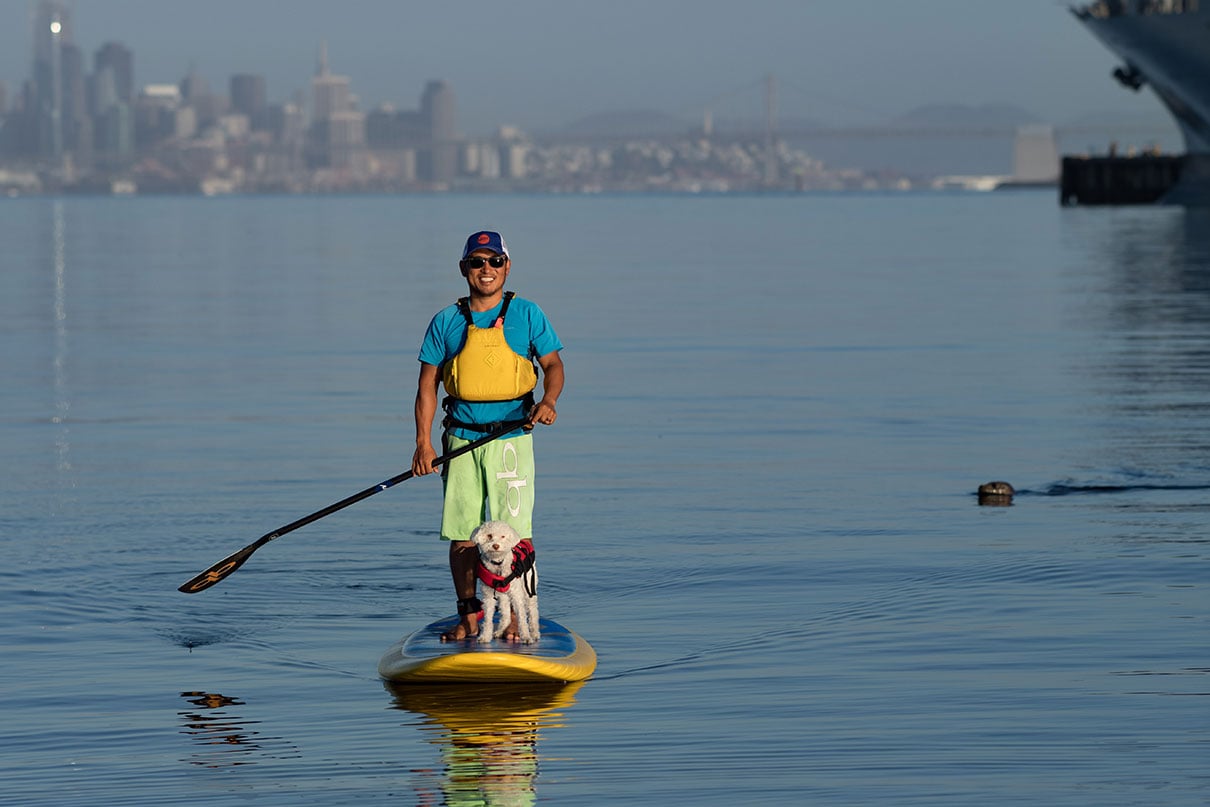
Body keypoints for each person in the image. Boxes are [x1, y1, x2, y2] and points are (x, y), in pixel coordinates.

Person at [411, 230, 564, 642]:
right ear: (464, 269)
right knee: (462, 535)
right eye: (477, 262)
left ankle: (516, 616)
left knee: (517, 533)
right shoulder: (446, 321)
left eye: (494, 261)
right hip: (461, 441)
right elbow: (427, 387)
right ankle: (470, 615)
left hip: (512, 439)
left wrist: (547, 401)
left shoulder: (528, 314)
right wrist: (423, 443)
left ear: (507, 266)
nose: (486, 269)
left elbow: (553, 366)